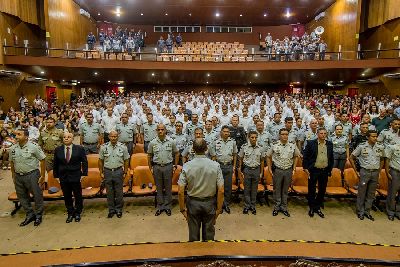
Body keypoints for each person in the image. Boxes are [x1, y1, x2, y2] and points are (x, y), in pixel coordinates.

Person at [178, 138, 224, 241]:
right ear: (207, 149)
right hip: (209, 203)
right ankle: (208, 255)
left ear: (193, 149)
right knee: (209, 236)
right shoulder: (216, 165)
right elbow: (221, 190)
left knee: (193, 236)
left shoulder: (187, 166)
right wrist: (218, 210)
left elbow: (180, 191)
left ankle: (195, 255)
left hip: (193, 203)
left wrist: (182, 209)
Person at [10, 129, 46, 226]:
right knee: (22, 196)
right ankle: (29, 214)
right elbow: (12, 163)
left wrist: (42, 176)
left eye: (19, 134)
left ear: (26, 137)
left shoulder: (33, 147)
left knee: (37, 195)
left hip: (32, 175)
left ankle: (38, 215)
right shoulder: (13, 148)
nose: (16, 136)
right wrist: (13, 176)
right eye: (16, 134)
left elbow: (42, 160)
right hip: (18, 176)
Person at [53, 132, 88, 223]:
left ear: (72, 139)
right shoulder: (58, 149)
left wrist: (84, 174)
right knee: (67, 195)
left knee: (77, 195)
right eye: (64, 137)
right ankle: (70, 212)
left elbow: (84, 162)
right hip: (63, 176)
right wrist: (56, 176)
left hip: (76, 175)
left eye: (69, 137)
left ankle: (77, 212)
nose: (66, 138)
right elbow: (55, 164)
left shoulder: (79, 149)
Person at [350, 130, 384, 221]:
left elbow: (382, 160)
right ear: (368, 137)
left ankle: (367, 211)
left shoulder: (379, 147)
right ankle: (360, 211)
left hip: (375, 172)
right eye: (373, 136)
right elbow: (351, 157)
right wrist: (356, 171)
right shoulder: (361, 146)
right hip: (365, 172)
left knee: (371, 194)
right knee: (362, 193)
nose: (375, 138)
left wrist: (379, 171)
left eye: (376, 136)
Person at [266, 128, 300, 217]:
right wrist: (269, 169)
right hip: (278, 170)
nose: (285, 136)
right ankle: (277, 207)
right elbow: (268, 156)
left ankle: (284, 207)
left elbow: (296, 156)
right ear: (279, 135)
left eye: (286, 134)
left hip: (288, 170)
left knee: (285, 190)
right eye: (283, 134)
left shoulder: (292, 145)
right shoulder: (274, 145)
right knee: (277, 189)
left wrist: (294, 168)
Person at [147, 124, 179, 216]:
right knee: (159, 188)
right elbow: (149, 155)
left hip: (168, 166)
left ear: (165, 130)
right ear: (156, 131)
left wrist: (175, 165)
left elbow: (176, 153)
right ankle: (160, 206)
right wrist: (150, 167)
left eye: (162, 129)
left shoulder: (171, 141)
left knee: (168, 188)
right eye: (159, 130)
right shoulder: (152, 142)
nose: (160, 131)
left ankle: (168, 206)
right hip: (157, 167)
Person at [302, 127, 334, 218]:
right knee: (311, 189)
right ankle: (312, 207)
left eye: (325, 133)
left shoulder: (330, 144)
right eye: (321, 133)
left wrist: (330, 169)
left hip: (324, 171)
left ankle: (317, 207)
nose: (323, 135)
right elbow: (305, 157)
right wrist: (305, 168)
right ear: (317, 134)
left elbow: (331, 158)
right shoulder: (311, 143)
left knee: (322, 190)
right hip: (314, 170)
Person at [98, 130, 130, 218]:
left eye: (115, 136)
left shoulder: (123, 147)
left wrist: (125, 171)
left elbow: (126, 160)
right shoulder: (103, 147)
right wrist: (101, 172)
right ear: (109, 137)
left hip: (118, 171)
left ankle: (119, 209)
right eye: (112, 136)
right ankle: (111, 210)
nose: (113, 138)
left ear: (117, 137)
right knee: (109, 192)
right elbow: (100, 160)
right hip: (107, 171)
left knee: (119, 191)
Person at [209, 125, 238, 214]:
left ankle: (226, 204)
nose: (226, 133)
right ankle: (219, 205)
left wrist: (233, 166)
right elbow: (213, 156)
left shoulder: (232, 142)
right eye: (224, 131)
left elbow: (235, 154)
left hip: (229, 166)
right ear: (221, 132)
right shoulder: (215, 142)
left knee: (228, 187)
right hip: (219, 166)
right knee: (218, 187)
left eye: (227, 132)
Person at [238, 131, 265, 215]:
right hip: (247, 170)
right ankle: (246, 206)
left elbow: (262, 161)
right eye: (252, 137)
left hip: (256, 170)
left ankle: (253, 206)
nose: (254, 139)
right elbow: (240, 158)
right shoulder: (244, 147)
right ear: (248, 138)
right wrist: (240, 169)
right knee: (247, 189)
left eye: (255, 137)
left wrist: (261, 172)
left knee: (254, 189)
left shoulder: (260, 148)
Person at [384, 133, 400, 221]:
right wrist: (387, 171)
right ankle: (391, 212)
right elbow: (387, 160)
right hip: (395, 171)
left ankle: (398, 211)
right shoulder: (393, 146)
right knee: (392, 194)